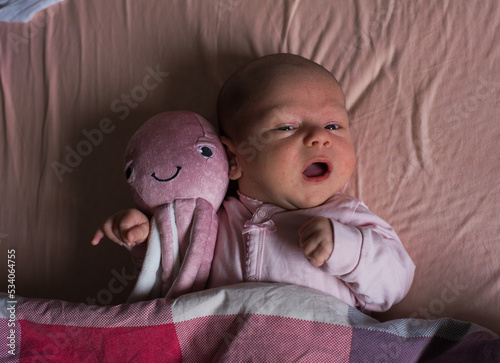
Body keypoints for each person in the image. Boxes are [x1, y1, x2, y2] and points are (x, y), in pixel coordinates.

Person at [92, 53, 415, 312]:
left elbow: (393, 287)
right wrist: (145, 239)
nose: (319, 137)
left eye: (333, 125)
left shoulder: (347, 218)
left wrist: (347, 249)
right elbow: (172, 272)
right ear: (234, 159)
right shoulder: (212, 223)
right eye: (286, 127)